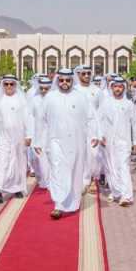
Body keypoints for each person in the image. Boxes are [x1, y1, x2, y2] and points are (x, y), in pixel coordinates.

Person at [35, 68, 98, 219]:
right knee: (57, 170)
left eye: (67, 80)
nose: (64, 83)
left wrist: (95, 134)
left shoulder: (81, 97)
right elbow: (41, 120)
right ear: (57, 81)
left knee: (75, 172)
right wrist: (38, 141)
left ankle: (72, 203)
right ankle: (58, 205)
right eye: (61, 80)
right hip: (55, 141)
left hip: (77, 142)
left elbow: (91, 117)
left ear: (72, 80)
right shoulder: (50, 97)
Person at [0, 75, 33, 203]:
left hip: (19, 137)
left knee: (18, 162)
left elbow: (28, 119)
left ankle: (17, 188)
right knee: (3, 162)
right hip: (2, 137)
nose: (8, 87)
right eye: (6, 84)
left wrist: (29, 135)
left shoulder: (21, 100)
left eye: (11, 84)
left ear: (15, 85)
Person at [98, 76, 136, 206]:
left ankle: (127, 196)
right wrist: (100, 136)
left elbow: (135, 123)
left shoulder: (129, 104)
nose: (118, 89)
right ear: (111, 87)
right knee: (111, 168)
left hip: (124, 141)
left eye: (120, 87)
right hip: (108, 142)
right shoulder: (105, 103)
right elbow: (98, 121)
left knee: (123, 167)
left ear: (124, 88)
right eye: (115, 87)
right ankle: (116, 192)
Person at [73, 65, 101, 192]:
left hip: (94, 126)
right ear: (78, 75)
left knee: (95, 154)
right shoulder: (74, 90)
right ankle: (85, 180)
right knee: (82, 154)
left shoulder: (97, 90)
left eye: (88, 73)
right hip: (78, 125)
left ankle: (95, 176)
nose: (86, 76)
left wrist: (101, 131)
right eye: (83, 73)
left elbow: (102, 111)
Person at [29, 76, 53, 188]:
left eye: (46, 89)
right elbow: (30, 118)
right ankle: (44, 179)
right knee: (39, 159)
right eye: (42, 88)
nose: (43, 91)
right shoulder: (34, 100)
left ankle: (50, 181)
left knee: (52, 159)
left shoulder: (55, 100)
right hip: (38, 134)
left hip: (53, 135)